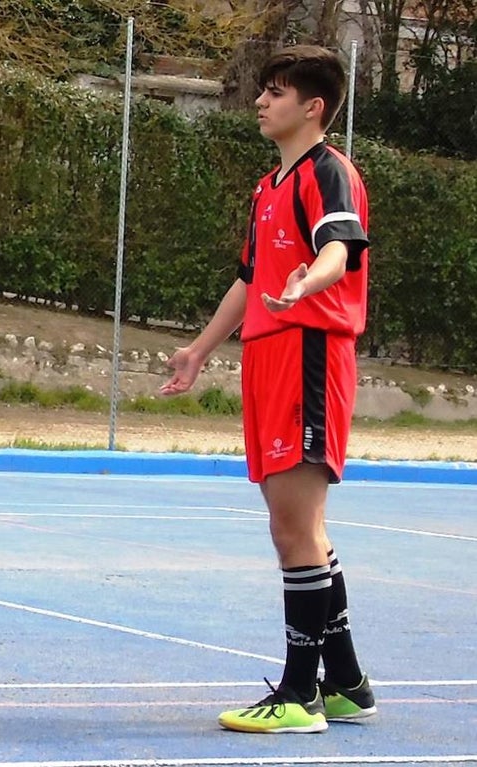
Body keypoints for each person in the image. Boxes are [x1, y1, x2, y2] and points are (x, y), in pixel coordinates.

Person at [161, 46, 375, 733]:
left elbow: (340, 247)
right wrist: (199, 349)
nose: (260, 101)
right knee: (302, 525)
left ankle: (299, 694)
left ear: (313, 107)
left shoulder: (329, 171)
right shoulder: (267, 187)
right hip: (269, 353)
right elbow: (251, 279)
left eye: (276, 92)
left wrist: (313, 279)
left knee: (293, 528)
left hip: (309, 352)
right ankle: (346, 683)